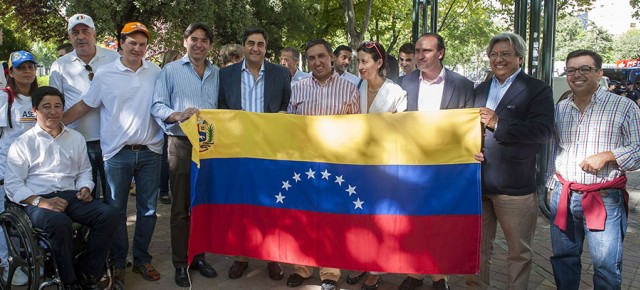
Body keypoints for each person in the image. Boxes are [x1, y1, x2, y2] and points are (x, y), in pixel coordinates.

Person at [62, 22, 164, 284]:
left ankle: (142, 259)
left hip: (151, 151)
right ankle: (118, 262)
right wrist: (55, 123)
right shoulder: (106, 74)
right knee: (116, 211)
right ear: (121, 44)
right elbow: (86, 105)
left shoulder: (156, 71)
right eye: (132, 43)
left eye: (142, 44)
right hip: (117, 154)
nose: (138, 48)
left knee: (149, 210)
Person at [4, 86, 118, 290]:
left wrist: (85, 187)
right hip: (36, 199)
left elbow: (84, 171)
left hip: (70, 195)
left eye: (58, 106)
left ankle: (88, 271)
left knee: (109, 214)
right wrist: (41, 202)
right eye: (46, 106)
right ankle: (70, 281)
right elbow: (13, 185)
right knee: (59, 222)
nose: (53, 111)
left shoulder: (76, 138)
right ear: (35, 111)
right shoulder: (22, 144)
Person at [467, 32, 554, 290]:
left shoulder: (537, 89)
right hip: (478, 183)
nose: (498, 59)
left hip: (515, 187)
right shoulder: (479, 89)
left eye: (505, 54)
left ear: (519, 57)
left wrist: (498, 123)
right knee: (477, 249)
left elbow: (542, 131)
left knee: (519, 252)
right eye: (494, 55)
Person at [547, 49, 640, 290]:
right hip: (564, 193)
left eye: (584, 69)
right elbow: (554, 149)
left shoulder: (624, 107)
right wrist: (551, 184)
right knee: (563, 259)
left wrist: (610, 156)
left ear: (599, 73)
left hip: (605, 197)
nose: (577, 75)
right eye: (571, 70)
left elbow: (638, 149)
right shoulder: (560, 109)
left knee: (606, 266)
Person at [394, 32, 476, 290]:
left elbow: (469, 128)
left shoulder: (462, 85)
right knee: (414, 221)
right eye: (417, 50)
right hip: (412, 166)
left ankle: (440, 275)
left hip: (447, 167)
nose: (420, 55)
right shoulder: (403, 83)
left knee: (441, 222)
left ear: (440, 53)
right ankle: (416, 272)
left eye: (426, 51)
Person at [286, 38, 360, 290]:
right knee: (303, 217)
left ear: (331, 57)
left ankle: (329, 273)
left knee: (330, 219)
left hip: (335, 165)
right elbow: (289, 127)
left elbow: (356, 129)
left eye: (321, 56)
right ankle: (301, 268)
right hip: (304, 165)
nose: (317, 62)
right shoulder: (298, 88)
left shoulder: (349, 89)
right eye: (312, 58)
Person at [218, 27, 289, 281]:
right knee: (242, 206)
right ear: (243, 45)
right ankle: (241, 257)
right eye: (251, 43)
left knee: (272, 205)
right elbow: (221, 109)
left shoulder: (281, 74)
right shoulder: (224, 75)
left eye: (260, 44)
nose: (255, 48)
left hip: (271, 153)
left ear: (265, 48)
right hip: (238, 152)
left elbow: (287, 107)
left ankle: (273, 257)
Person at [151, 22, 219, 287]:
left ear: (210, 45)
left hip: (209, 146)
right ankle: (181, 263)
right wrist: (176, 115)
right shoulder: (170, 71)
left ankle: (199, 257)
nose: (199, 44)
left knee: (202, 205)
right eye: (194, 39)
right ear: (185, 42)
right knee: (180, 207)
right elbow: (157, 104)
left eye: (204, 40)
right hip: (180, 143)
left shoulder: (217, 73)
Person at [344, 41, 407, 290]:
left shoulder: (396, 93)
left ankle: (376, 270)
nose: (360, 66)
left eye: (365, 61)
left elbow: (403, 131)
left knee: (381, 219)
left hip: (385, 167)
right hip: (359, 165)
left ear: (379, 63)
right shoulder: (355, 88)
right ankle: (362, 261)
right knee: (361, 218)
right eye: (358, 61)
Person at [50, 14, 120, 199]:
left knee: (114, 199)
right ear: (69, 37)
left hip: (111, 141)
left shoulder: (114, 59)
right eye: (75, 32)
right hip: (76, 142)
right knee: (84, 198)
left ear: (94, 34)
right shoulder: (59, 66)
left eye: (85, 31)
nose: (80, 36)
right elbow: (54, 104)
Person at [0, 50, 41, 286]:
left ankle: (30, 259)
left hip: (35, 170)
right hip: (7, 170)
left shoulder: (40, 97)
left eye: (30, 67)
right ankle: (7, 264)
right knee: (5, 219)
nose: (27, 71)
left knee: (28, 218)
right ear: (11, 73)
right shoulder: (5, 98)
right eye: (21, 68)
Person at [157, 49, 182, 206]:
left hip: (179, 124)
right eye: (177, 60)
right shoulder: (163, 76)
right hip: (165, 124)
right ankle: (163, 190)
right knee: (165, 159)